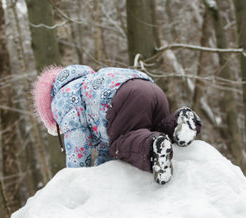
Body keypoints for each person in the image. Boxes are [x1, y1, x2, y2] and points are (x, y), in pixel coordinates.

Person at [32, 65, 201, 185]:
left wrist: (75, 179)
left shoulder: (62, 100)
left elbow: (78, 141)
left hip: (124, 98)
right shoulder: (87, 83)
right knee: (154, 128)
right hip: (151, 88)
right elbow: (106, 150)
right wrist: (102, 172)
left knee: (122, 142)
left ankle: (153, 149)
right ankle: (178, 123)